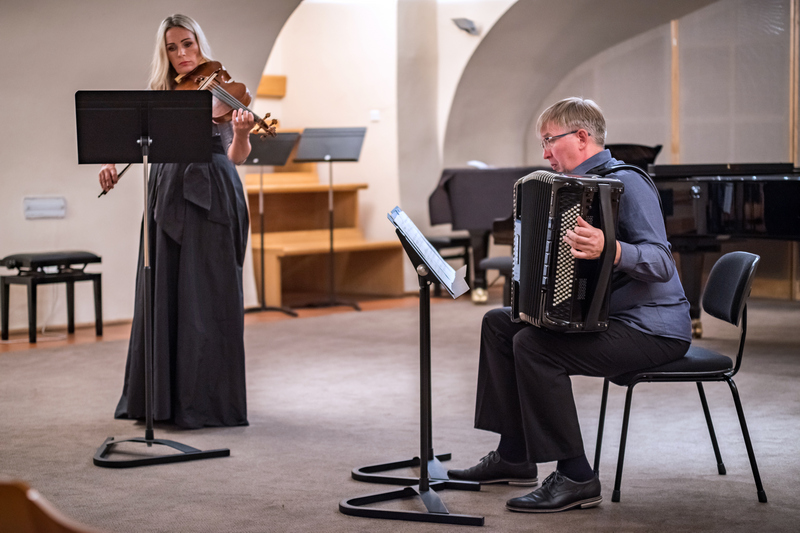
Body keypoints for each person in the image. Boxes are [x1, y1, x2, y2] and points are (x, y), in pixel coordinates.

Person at [448, 97, 692, 512]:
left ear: (581, 138)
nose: (544, 153)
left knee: (534, 345)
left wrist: (611, 249)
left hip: (653, 329)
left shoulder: (627, 182)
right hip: (607, 318)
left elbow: (662, 262)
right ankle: (514, 454)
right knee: (500, 324)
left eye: (549, 141)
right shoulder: (567, 189)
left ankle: (577, 475)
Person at [98, 14, 254, 429]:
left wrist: (241, 131)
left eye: (187, 44)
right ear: (164, 54)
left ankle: (207, 403)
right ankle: (160, 402)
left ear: (199, 43)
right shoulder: (160, 93)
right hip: (166, 191)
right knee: (163, 290)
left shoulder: (224, 90)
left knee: (207, 297)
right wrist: (111, 161)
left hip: (214, 192)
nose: (182, 54)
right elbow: (133, 141)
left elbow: (237, 155)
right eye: (172, 47)